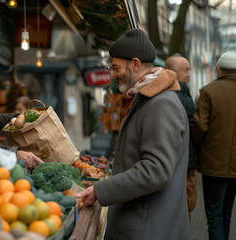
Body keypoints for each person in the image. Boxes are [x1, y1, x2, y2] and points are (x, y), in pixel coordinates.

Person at [75, 29, 190, 239]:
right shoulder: (147, 99)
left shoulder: (161, 104)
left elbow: (156, 169)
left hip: (149, 229)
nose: (113, 74)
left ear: (135, 64)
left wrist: (100, 191)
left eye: (116, 68)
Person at [191, 51, 236, 240]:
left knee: (215, 216)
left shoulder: (209, 91)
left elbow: (199, 126)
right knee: (227, 214)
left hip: (213, 164)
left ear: (218, 69)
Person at [165, 54, 199, 221]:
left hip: (187, 161)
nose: (189, 74)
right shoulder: (169, 95)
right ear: (173, 72)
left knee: (187, 207)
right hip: (177, 162)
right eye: (186, 70)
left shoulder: (184, 91)